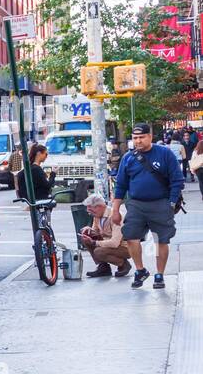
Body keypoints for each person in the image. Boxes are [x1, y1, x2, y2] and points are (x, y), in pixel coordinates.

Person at [111, 122, 185, 290]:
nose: (138, 141)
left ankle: (159, 274)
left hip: (160, 203)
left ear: (150, 137)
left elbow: (177, 180)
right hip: (136, 204)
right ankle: (140, 270)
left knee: (161, 240)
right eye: (135, 138)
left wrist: (171, 203)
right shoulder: (128, 158)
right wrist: (115, 209)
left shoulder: (164, 154)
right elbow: (121, 185)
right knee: (130, 236)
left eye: (142, 137)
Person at [79, 193, 131, 278]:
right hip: (111, 244)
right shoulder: (97, 215)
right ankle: (103, 267)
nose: (89, 213)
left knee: (98, 251)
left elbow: (115, 243)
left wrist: (95, 242)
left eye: (91, 210)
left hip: (125, 248)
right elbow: (95, 231)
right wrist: (89, 231)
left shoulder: (115, 216)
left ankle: (123, 264)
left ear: (99, 206)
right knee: (85, 238)